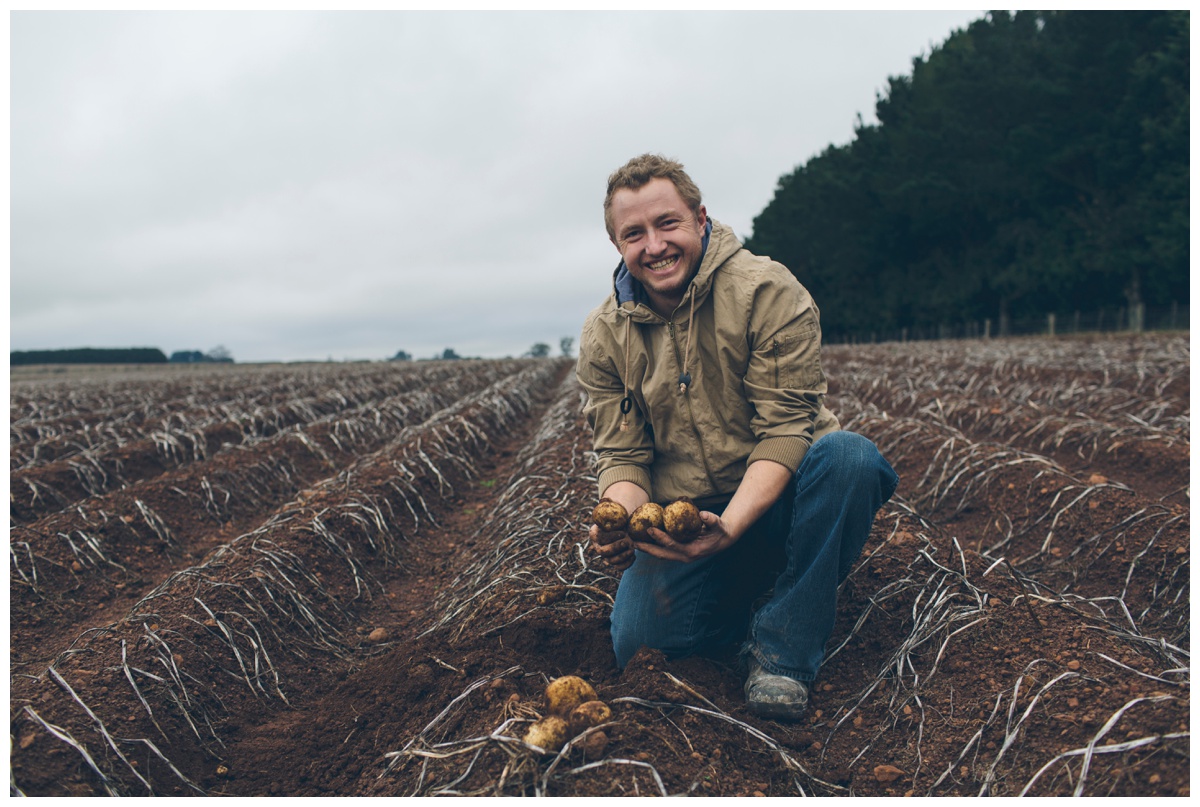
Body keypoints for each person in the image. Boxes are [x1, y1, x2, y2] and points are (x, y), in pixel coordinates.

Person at [576, 153, 899, 720]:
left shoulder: (765, 291)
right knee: (640, 647)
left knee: (850, 459)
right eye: (635, 233)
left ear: (701, 218)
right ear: (618, 245)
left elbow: (785, 430)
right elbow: (624, 455)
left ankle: (785, 647)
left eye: (667, 223)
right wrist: (617, 515)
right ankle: (757, 589)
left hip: (781, 497)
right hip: (689, 512)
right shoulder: (605, 334)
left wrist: (730, 528)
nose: (654, 245)